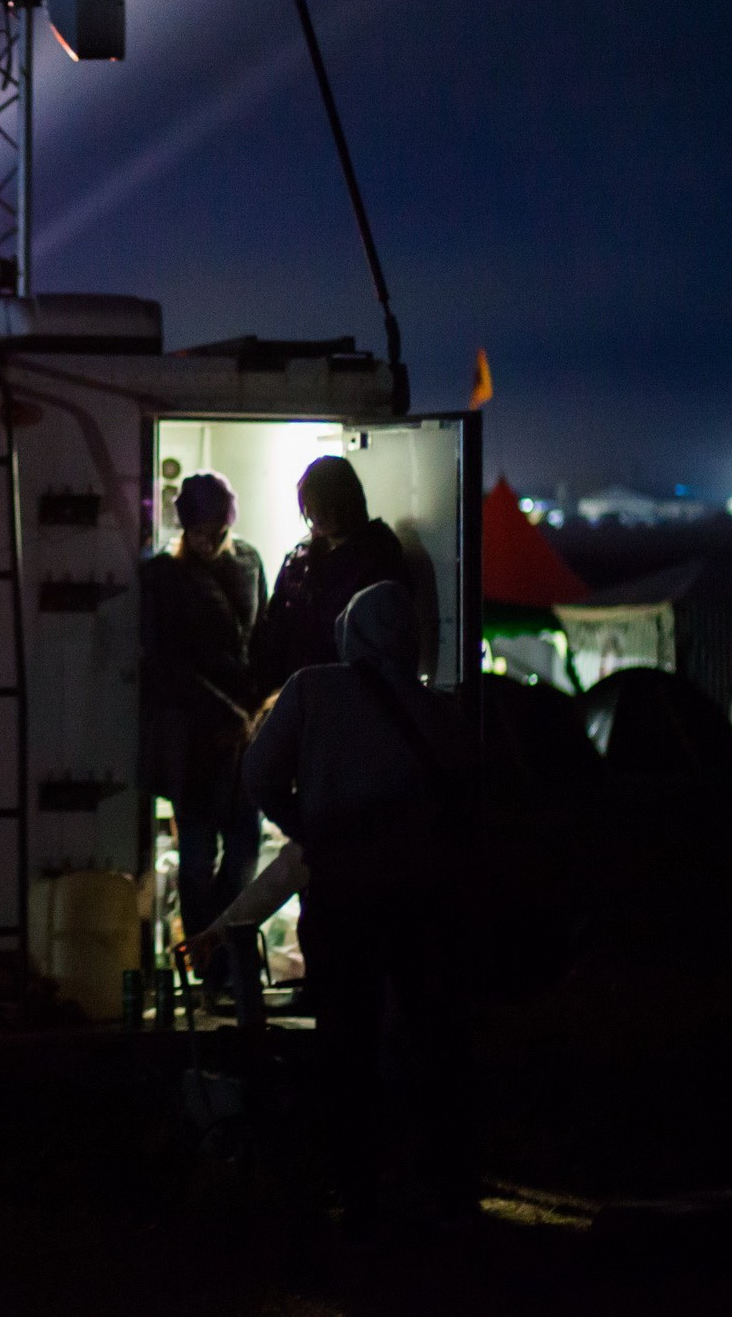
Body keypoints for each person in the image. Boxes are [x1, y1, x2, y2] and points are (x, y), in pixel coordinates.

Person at [245, 580, 478, 1227]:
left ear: (352, 629)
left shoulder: (313, 689)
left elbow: (257, 772)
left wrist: (310, 823)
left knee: (343, 1041)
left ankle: (355, 1189)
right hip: (424, 903)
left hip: (344, 897)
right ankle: (442, 1186)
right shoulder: (443, 714)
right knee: (430, 1041)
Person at [139, 471, 266, 990]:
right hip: (197, 739)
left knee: (241, 856)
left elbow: (261, 640)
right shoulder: (165, 576)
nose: (211, 541)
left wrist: (259, 711)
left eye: (218, 530)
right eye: (201, 532)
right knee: (196, 864)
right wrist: (232, 715)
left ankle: (228, 964)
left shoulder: (249, 561)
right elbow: (169, 663)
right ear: (184, 528)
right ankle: (212, 969)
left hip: (242, 736)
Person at [250, 456, 413, 700]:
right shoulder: (300, 558)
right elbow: (275, 626)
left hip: (350, 695)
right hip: (298, 690)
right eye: (313, 509)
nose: (320, 517)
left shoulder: (377, 555)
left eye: (329, 507)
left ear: (348, 504)